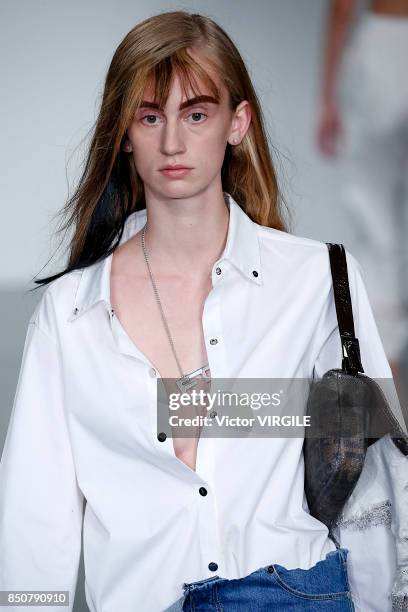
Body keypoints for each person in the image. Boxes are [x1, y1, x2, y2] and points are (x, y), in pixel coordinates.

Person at [0, 10, 406, 612]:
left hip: (297, 594)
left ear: (237, 123)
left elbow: (372, 480)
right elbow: (37, 515)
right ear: (124, 132)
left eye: (196, 113)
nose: (172, 142)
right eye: (149, 116)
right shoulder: (71, 314)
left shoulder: (318, 280)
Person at [316, 0, 408, 393]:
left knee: (376, 223)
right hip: (382, 47)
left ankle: (385, 371)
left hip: (382, 48)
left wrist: (328, 98)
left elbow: (342, 6)